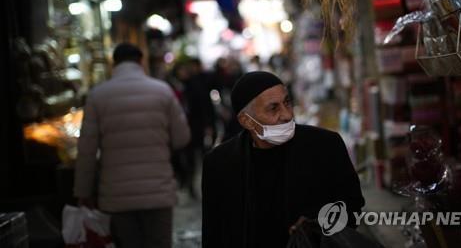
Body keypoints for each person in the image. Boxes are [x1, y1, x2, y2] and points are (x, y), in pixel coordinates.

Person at [202, 71, 364, 248]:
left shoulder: (325, 146)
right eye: (273, 108)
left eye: (287, 102)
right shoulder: (219, 163)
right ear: (246, 121)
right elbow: (213, 232)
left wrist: (317, 223)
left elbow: (352, 204)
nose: (287, 114)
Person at [74, 43, 190, 248]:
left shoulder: (97, 95)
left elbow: (86, 150)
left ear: (114, 63)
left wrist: (83, 191)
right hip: (158, 191)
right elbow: (182, 137)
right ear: (140, 61)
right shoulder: (162, 91)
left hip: (116, 195)